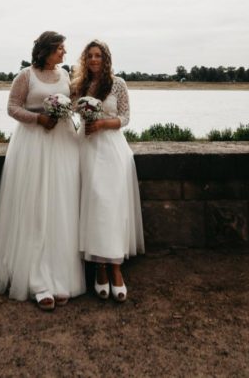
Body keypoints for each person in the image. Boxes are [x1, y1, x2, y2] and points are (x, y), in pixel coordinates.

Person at [0, 31, 86, 310]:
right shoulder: (25, 75)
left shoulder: (65, 75)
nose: (64, 53)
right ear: (46, 50)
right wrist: (38, 119)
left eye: (64, 49)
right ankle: (36, 279)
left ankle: (60, 277)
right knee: (35, 209)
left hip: (62, 145)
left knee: (60, 208)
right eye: (60, 49)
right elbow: (12, 108)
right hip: (33, 145)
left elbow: (73, 101)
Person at [72, 39, 144, 302]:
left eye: (98, 55)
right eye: (89, 55)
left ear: (106, 59)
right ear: (85, 59)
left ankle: (115, 267)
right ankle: (99, 268)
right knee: (94, 204)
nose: (93, 60)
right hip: (87, 149)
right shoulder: (78, 85)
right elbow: (69, 112)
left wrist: (102, 124)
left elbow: (125, 118)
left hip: (112, 150)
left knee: (112, 206)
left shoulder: (118, 84)